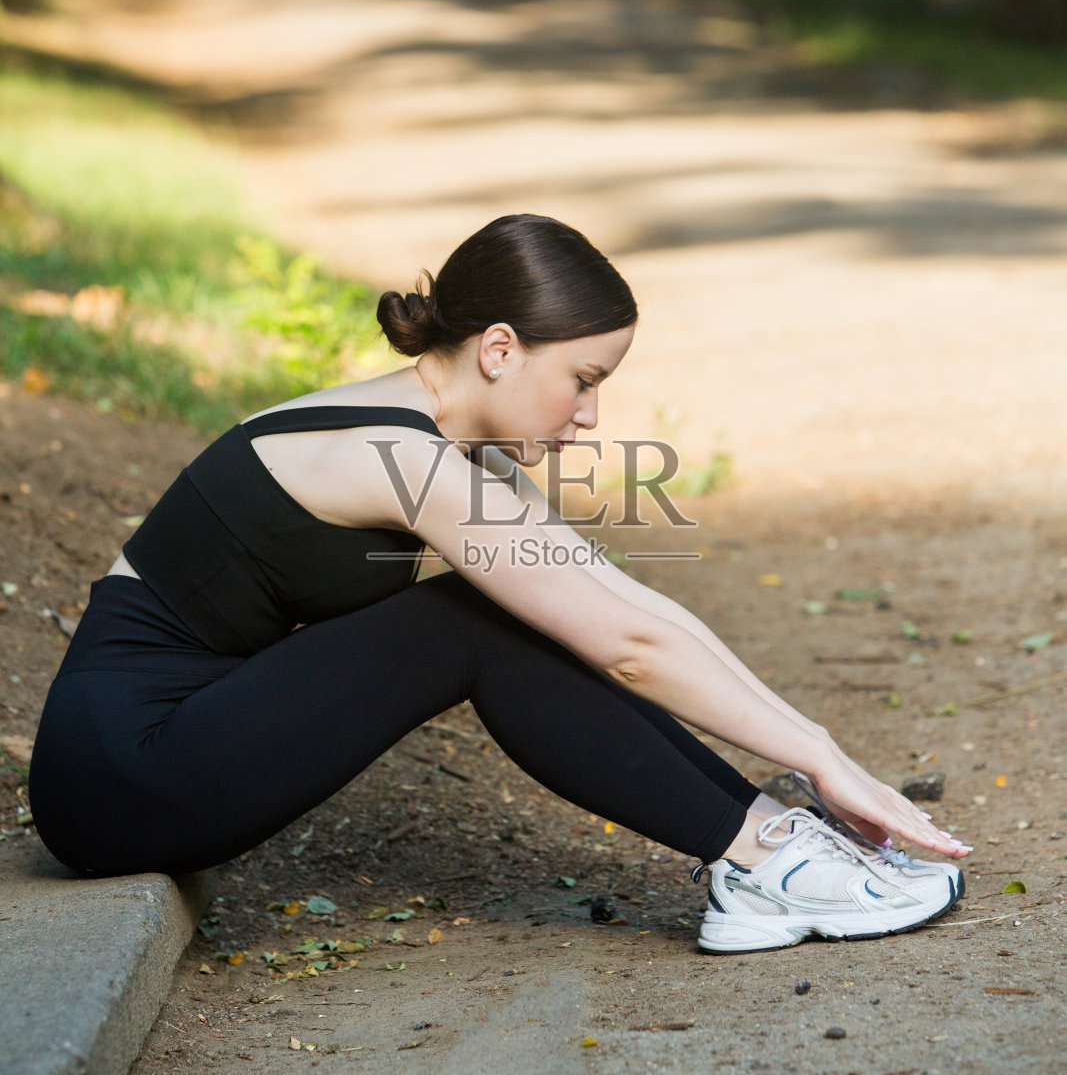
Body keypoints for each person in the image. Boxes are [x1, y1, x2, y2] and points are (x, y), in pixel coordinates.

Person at [28, 213, 970, 955]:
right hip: (119, 776)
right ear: (500, 349)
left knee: (515, 613)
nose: (591, 415)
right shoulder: (398, 458)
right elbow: (628, 650)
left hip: (179, 736)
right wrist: (822, 762)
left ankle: (768, 845)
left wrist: (820, 753)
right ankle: (767, 860)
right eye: (583, 379)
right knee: (469, 621)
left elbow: (628, 612)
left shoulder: (448, 446)